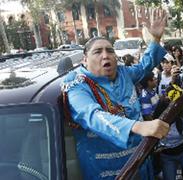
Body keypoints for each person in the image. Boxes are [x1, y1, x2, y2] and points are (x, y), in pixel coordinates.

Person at [62, 12, 170, 180]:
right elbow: (91, 115)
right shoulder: (77, 84)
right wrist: (138, 127)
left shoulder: (124, 73)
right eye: (98, 52)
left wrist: (155, 39)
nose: (105, 55)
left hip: (139, 160)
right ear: (85, 60)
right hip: (105, 170)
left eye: (110, 50)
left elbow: (144, 66)